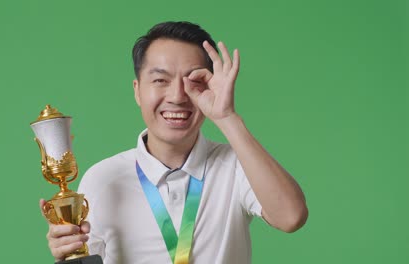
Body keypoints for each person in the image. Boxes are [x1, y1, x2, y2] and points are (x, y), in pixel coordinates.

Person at [40, 21, 308, 264]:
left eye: (193, 81)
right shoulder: (102, 179)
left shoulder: (237, 165)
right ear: (137, 90)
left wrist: (227, 117)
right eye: (160, 80)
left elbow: (291, 217)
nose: (178, 96)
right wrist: (68, 254)